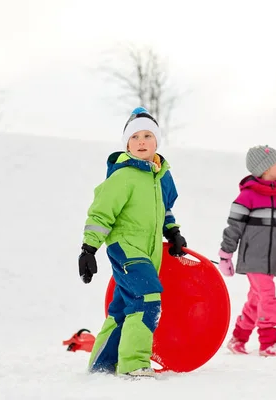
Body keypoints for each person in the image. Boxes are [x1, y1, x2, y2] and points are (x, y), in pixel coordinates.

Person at [78, 107, 187, 378]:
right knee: (147, 298)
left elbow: (164, 209)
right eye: (135, 136)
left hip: (148, 252)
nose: (141, 142)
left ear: (157, 142)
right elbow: (101, 213)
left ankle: (101, 364)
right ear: (127, 143)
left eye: (147, 135)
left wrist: (172, 232)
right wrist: (89, 248)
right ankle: (133, 363)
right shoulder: (123, 175)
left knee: (122, 309)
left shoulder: (160, 177)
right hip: (125, 247)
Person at [218, 145, 276, 357]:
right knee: (267, 296)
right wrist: (226, 255)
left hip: (272, 260)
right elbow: (233, 227)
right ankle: (268, 343)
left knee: (256, 300)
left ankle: (238, 339)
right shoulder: (247, 197)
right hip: (252, 258)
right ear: (264, 168)